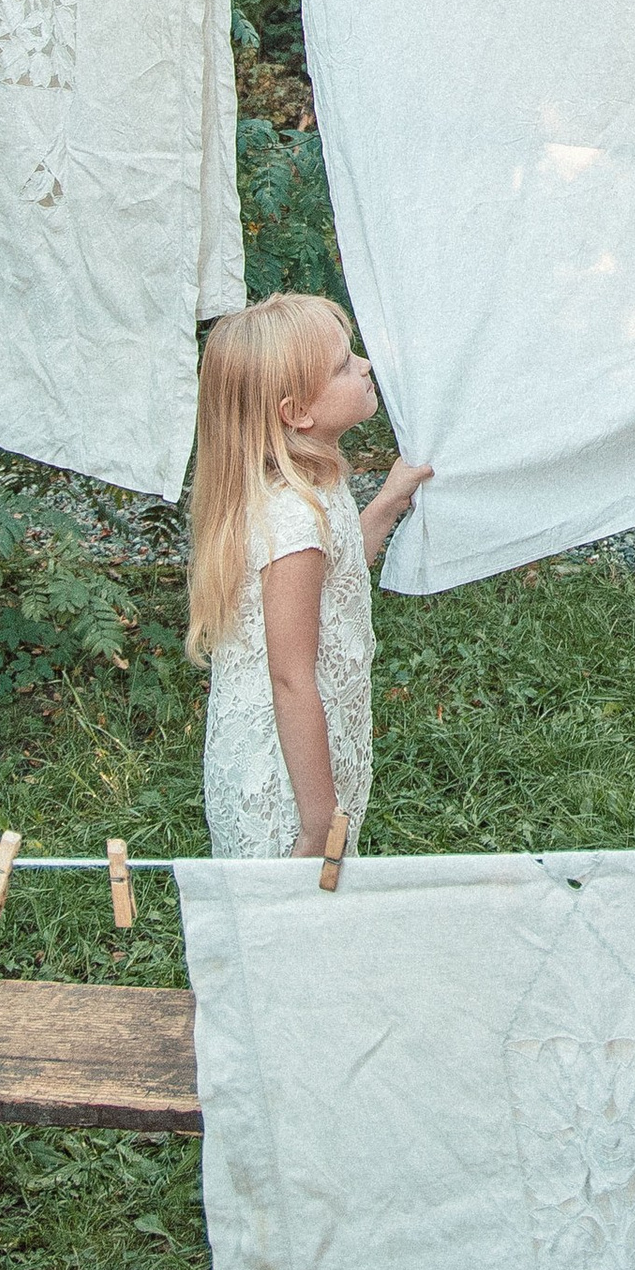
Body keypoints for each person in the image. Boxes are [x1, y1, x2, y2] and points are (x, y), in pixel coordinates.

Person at [185, 292, 431, 859]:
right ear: (296, 412)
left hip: (310, 745)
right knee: (288, 914)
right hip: (288, 780)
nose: (365, 364)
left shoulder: (311, 483)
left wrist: (388, 502)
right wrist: (319, 823)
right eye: (344, 364)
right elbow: (291, 676)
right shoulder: (293, 517)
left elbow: (338, 571)